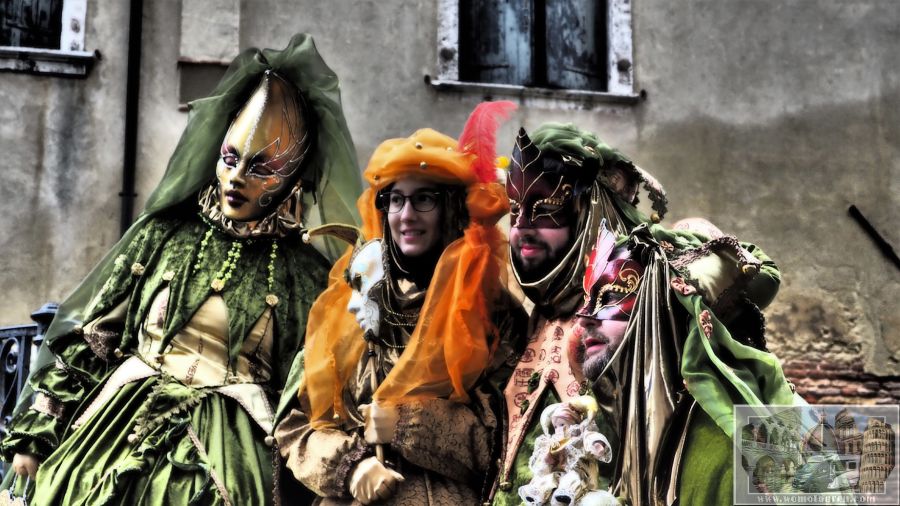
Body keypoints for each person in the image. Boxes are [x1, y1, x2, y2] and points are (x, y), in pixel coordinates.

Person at [0, 34, 362, 505]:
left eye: (260, 167)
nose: (236, 178)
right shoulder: (165, 235)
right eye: (230, 159)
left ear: (293, 177)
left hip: (233, 454)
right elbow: (94, 338)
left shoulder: (305, 274)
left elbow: (312, 396)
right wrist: (36, 435)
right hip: (117, 428)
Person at [275, 102, 525, 504]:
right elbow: (295, 427)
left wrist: (406, 424)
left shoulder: (493, 314)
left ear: (451, 207)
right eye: (395, 199)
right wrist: (351, 467)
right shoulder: (351, 301)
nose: (406, 215)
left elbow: (508, 442)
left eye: (423, 199)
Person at [491, 123, 668, 504]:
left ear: (589, 214)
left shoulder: (642, 317)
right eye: (515, 211)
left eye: (546, 210)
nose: (522, 228)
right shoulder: (532, 320)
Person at [571, 221, 798, 505]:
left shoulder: (729, 453)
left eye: (611, 296)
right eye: (587, 299)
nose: (583, 318)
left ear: (662, 309)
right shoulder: (621, 424)